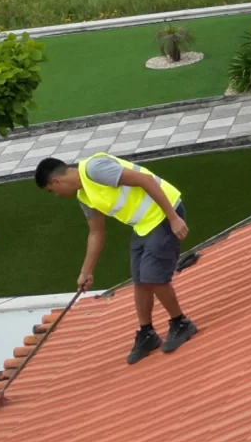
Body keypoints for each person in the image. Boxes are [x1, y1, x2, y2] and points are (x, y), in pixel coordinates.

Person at [35, 152, 196, 364]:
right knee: (140, 279)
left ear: (56, 181)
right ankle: (147, 333)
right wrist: (86, 272)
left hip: (164, 214)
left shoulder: (95, 169)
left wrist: (174, 218)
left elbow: (145, 180)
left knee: (153, 276)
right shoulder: (85, 196)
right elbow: (96, 233)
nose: (56, 195)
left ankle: (181, 323)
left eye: (51, 190)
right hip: (143, 225)